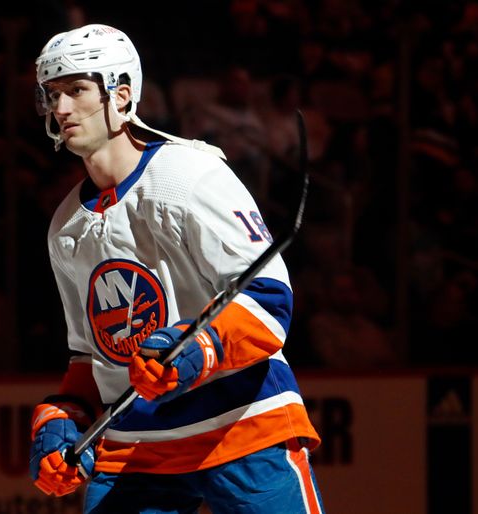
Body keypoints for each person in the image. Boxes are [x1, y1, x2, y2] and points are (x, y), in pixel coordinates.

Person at [28, 24, 325, 514]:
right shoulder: (65, 226)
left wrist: (191, 349)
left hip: (243, 425)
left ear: (122, 95)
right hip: (137, 447)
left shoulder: (191, 175)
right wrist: (64, 419)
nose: (61, 110)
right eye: (53, 94)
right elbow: (89, 358)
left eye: (77, 90)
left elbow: (271, 305)